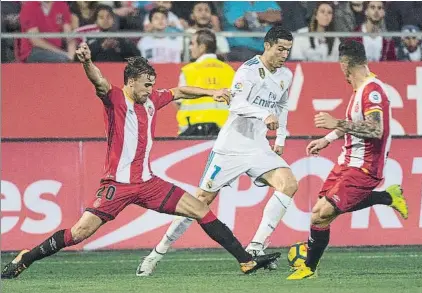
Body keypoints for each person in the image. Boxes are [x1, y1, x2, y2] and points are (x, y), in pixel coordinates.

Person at [1, 44, 281, 280]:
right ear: (131, 81)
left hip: (148, 184)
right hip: (117, 186)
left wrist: (211, 93)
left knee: (199, 208)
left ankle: (246, 260)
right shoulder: (113, 99)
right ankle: (27, 258)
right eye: (146, 85)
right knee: (79, 233)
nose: (150, 90)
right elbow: (98, 80)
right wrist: (87, 62)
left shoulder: (152, 100)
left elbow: (180, 92)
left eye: (152, 85)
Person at [137, 26, 298, 276]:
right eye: (280, 49)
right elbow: (237, 104)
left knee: (288, 184)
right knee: (199, 203)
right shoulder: (248, 71)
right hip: (231, 148)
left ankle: (255, 247)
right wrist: (264, 114)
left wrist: (281, 137)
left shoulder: (285, 75)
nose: (284, 55)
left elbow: (283, 104)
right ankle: (157, 253)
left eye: (288, 50)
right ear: (267, 46)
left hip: (258, 147)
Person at [287, 40, 408, 280]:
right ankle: (388, 196)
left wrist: (336, 123)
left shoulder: (372, 91)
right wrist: (327, 139)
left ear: (345, 64)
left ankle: (309, 267)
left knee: (321, 214)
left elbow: (375, 129)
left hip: (365, 166)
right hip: (347, 162)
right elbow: (352, 123)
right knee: (322, 211)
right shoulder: (359, 90)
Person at [176, 29, 234, 136]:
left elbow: (178, 102)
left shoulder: (189, 70)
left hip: (193, 132)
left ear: (202, 47)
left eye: (192, 44)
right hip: (225, 132)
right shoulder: (229, 70)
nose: (190, 48)